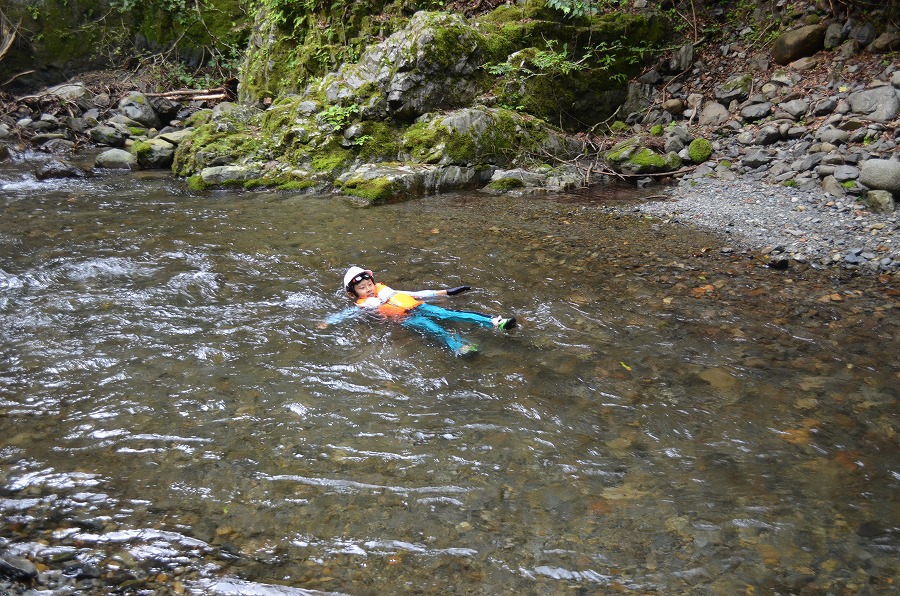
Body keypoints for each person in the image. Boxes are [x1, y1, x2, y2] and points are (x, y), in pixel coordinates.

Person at [318, 266, 516, 356]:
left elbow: (418, 293)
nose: (369, 289)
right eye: (362, 288)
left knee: (451, 314)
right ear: (353, 294)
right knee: (433, 328)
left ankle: (495, 322)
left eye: (369, 284)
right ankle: (459, 346)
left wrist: (447, 292)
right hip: (406, 320)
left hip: (419, 307)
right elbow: (345, 314)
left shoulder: (387, 291)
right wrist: (328, 322)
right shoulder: (361, 306)